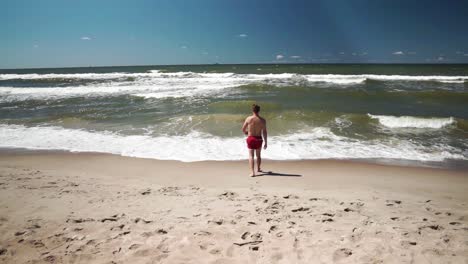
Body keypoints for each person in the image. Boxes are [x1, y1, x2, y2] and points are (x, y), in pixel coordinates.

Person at [242, 104, 267, 177]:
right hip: (259, 139)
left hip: (251, 138)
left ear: (252, 110)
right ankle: (258, 168)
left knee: (251, 156)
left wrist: (246, 132)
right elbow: (264, 132)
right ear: (259, 110)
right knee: (258, 155)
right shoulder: (263, 120)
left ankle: (252, 172)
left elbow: (243, 129)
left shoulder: (249, 119)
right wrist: (266, 142)